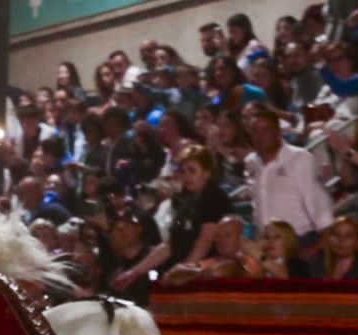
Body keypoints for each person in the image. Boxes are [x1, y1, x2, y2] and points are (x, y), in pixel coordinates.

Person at [111, 144, 233, 289]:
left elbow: (204, 243)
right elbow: (169, 245)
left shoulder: (214, 198)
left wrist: (182, 274)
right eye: (183, 171)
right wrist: (134, 272)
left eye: (192, 171)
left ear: (206, 172)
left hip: (204, 276)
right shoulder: (188, 202)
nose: (186, 176)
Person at [243, 103, 334, 241]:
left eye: (265, 130)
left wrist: (319, 244)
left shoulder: (300, 158)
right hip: (267, 243)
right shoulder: (250, 162)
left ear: (278, 131)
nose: (260, 136)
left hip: (299, 241)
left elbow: (320, 206)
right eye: (255, 131)